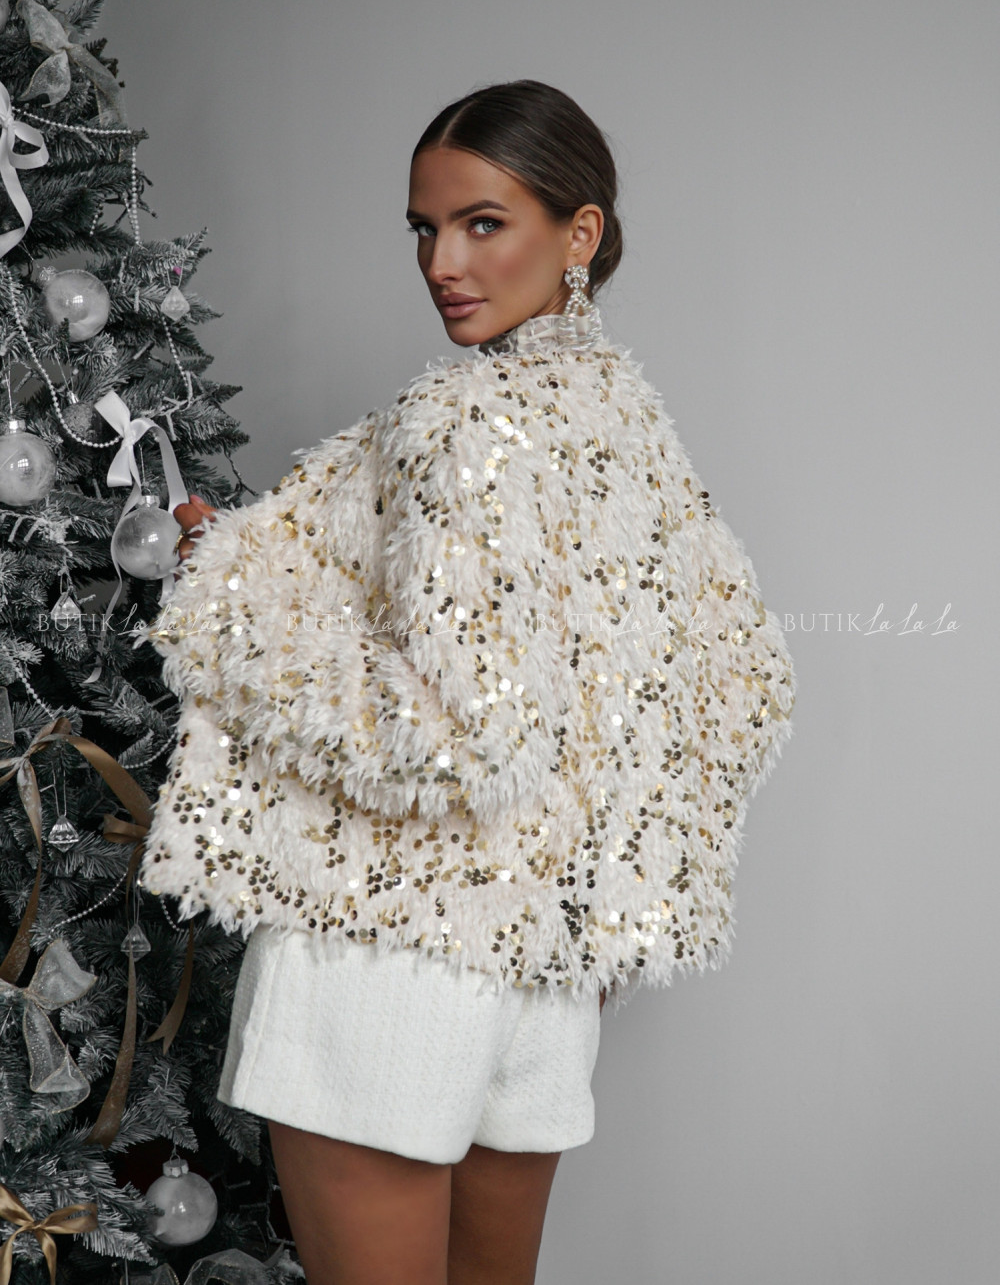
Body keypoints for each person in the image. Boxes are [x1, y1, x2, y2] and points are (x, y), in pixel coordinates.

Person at [154, 78, 796, 1284]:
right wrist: (595, 896)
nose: (441, 262)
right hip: (540, 975)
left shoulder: (460, 420)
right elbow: (744, 687)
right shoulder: (629, 425)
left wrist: (225, 600)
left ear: (580, 231)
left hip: (385, 954)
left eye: (481, 222)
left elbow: (454, 730)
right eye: (424, 227)